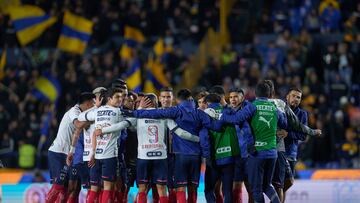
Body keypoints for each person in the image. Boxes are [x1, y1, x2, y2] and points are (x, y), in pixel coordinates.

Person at [124, 89, 220, 203]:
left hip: (172, 156)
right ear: (159, 100)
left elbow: (132, 122)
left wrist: (135, 111)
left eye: (168, 97)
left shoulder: (173, 112)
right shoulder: (190, 113)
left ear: (174, 99)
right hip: (173, 156)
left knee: (168, 188)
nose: (165, 99)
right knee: (166, 188)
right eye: (163, 97)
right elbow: (208, 129)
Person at [221, 81, 287, 203]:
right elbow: (284, 123)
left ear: (255, 93)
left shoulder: (252, 106)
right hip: (272, 152)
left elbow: (236, 119)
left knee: (256, 189)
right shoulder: (274, 108)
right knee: (267, 186)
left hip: (257, 153)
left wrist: (223, 116)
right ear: (269, 94)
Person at [46, 92, 95, 203]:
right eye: (93, 104)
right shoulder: (74, 111)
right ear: (88, 104)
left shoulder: (83, 114)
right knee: (59, 185)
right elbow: (78, 124)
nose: (94, 107)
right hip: (58, 153)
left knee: (72, 188)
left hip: (70, 154)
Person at [203, 93, 240, 203]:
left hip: (214, 157)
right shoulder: (228, 111)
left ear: (208, 103)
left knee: (209, 190)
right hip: (229, 157)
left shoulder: (205, 114)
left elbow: (204, 137)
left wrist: (207, 156)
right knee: (227, 191)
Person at [228, 87, 253, 203]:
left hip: (248, 155)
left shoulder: (249, 110)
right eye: (231, 97)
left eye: (235, 97)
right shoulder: (227, 111)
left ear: (242, 98)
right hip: (235, 155)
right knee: (236, 187)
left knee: (250, 187)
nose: (233, 100)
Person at [283, 87, 308, 202]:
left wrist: (288, 134)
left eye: (298, 97)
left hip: (291, 153)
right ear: (287, 96)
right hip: (277, 151)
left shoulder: (302, 114)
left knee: (288, 183)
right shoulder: (279, 110)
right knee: (279, 184)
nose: (296, 99)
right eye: (293, 96)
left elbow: (303, 136)